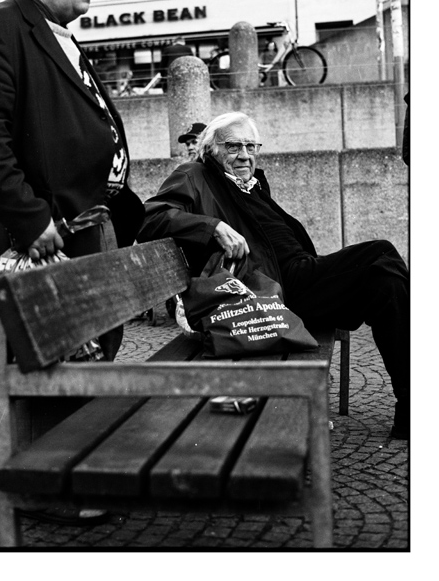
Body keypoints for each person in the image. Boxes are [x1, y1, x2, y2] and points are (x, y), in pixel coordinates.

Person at [138, 111, 410, 439]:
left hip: (300, 276)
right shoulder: (194, 174)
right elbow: (151, 218)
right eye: (234, 146)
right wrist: (213, 227)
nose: (245, 155)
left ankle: (410, 406)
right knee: (380, 252)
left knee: (387, 283)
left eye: (251, 146)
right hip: (273, 290)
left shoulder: (251, 185)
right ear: (212, 149)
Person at [0, 0, 144, 362]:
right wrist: (30, 219)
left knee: (90, 364)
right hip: (42, 238)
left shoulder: (64, 37)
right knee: (46, 379)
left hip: (86, 230)